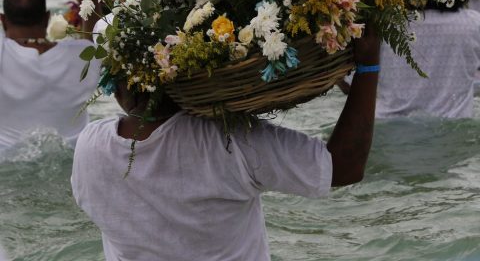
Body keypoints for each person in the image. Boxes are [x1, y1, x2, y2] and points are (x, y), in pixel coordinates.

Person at [71, 26, 380, 261]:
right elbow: (343, 168)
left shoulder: (89, 148)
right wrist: (368, 68)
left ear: (117, 85)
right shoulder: (230, 140)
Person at [376, 0, 480, 118]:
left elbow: (352, 83)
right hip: (453, 132)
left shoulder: (382, 26)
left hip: (388, 131)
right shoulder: (473, 26)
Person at [0, 0, 101, 150]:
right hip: (75, 156)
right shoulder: (82, 56)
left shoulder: (3, 56)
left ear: (3, 20)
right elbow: (95, 36)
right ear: (47, 18)